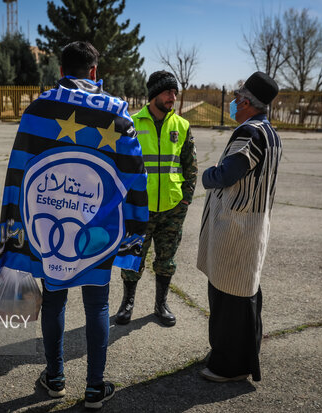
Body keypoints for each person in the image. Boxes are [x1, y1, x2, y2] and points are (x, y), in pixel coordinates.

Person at [0, 41, 148, 409]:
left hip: (52, 229)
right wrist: (136, 227)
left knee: (55, 301)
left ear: (60, 69)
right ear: (94, 71)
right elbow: (135, 176)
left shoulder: (39, 109)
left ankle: (56, 378)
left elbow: (19, 171)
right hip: (98, 232)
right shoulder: (118, 114)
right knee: (97, 306)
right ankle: (95, 387)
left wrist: (16, 229)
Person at [196, 71, 281, 382]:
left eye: (236, 98)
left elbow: (226, 175)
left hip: (237, 227)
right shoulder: (270, 132)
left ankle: (228, 365)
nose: (232, 103)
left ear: (246, 102)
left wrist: (207, 175)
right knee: (244, 292)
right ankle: (237, 354)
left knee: (229, 296)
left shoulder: (250, 133)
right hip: (252, 222)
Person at [115, 70, 197, 327]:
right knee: (133, 257)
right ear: (154, 95)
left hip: (173, 206)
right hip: (140, 207)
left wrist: (186, 199)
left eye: (175, 92)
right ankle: (127, 302)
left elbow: (190, 166)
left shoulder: (181, 125)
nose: (173, 96)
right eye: (167, 91)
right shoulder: (132, 123)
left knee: (166, 259)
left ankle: (161, 304)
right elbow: (119, 163)